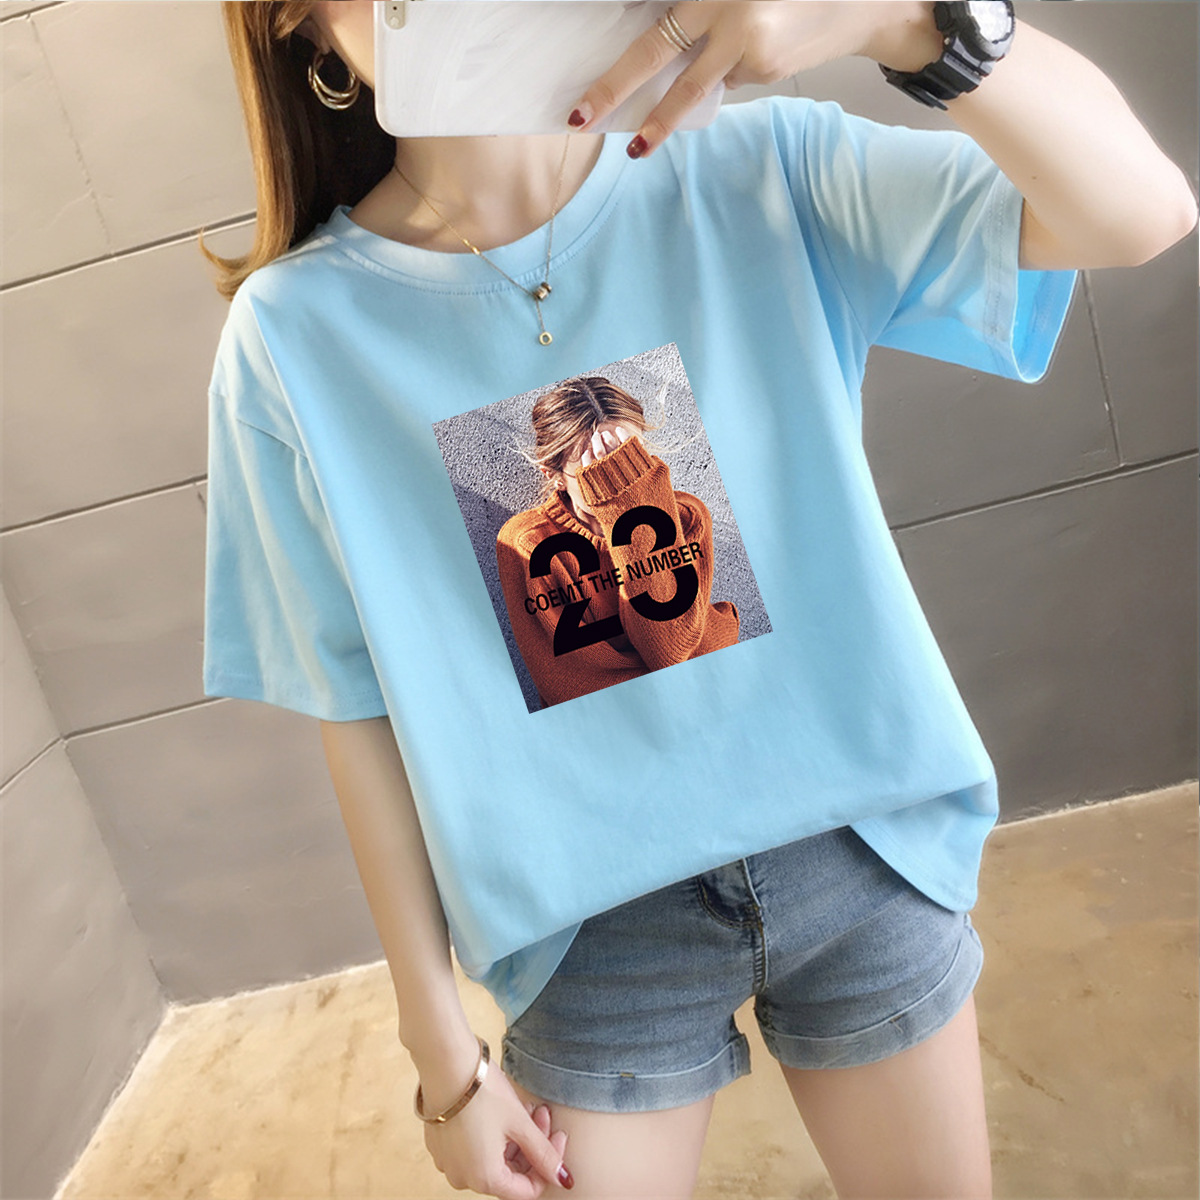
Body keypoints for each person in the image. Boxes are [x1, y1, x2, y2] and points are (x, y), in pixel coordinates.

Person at [198, 3, 1197, 1198]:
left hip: (857, 846)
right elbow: (356, 705)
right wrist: (440, 1053)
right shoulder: (294, 340)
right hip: (589, 934)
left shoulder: (760, 169)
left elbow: (1141, 211)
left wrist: (908, 20)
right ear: (300, 23)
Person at [496, 376, 740, 708]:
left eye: (629, 458)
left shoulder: (685, 517)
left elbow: (669, 648)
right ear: (553, 475)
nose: (618, 476)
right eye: (596, 467)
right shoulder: (529, 544)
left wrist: (636, 510)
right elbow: (575, 688)